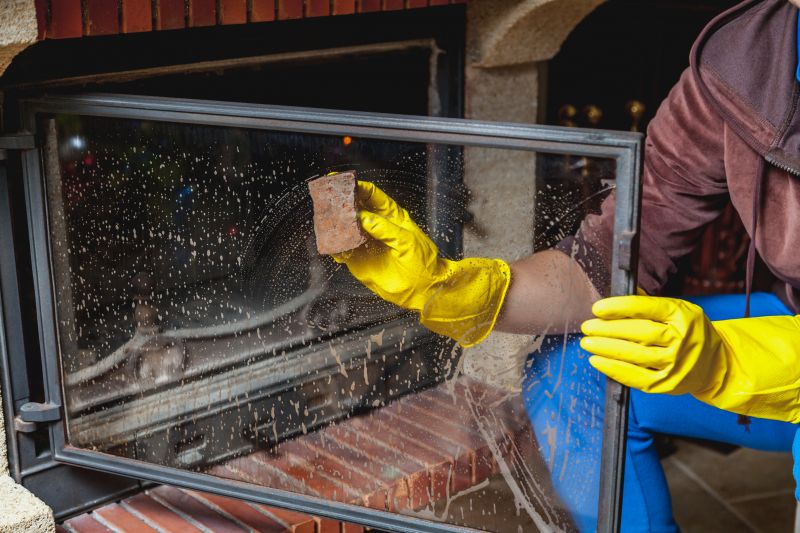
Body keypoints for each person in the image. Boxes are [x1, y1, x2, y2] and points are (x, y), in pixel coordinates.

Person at [335, 0, 800, 530]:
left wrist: (729, 362)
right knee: (570, 370)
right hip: (786, 318)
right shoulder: (744, 67)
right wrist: (450, 286)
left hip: (781, 361)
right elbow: (603, 263)